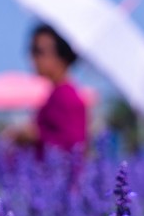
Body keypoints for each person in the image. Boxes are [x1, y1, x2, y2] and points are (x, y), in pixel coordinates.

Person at [5, 23, 88, 157]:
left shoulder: (66, 96)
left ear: (62, 56)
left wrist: (34, 136)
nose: (32, 58)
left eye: (38, 51)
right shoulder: (55, 94)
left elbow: (73, 146)